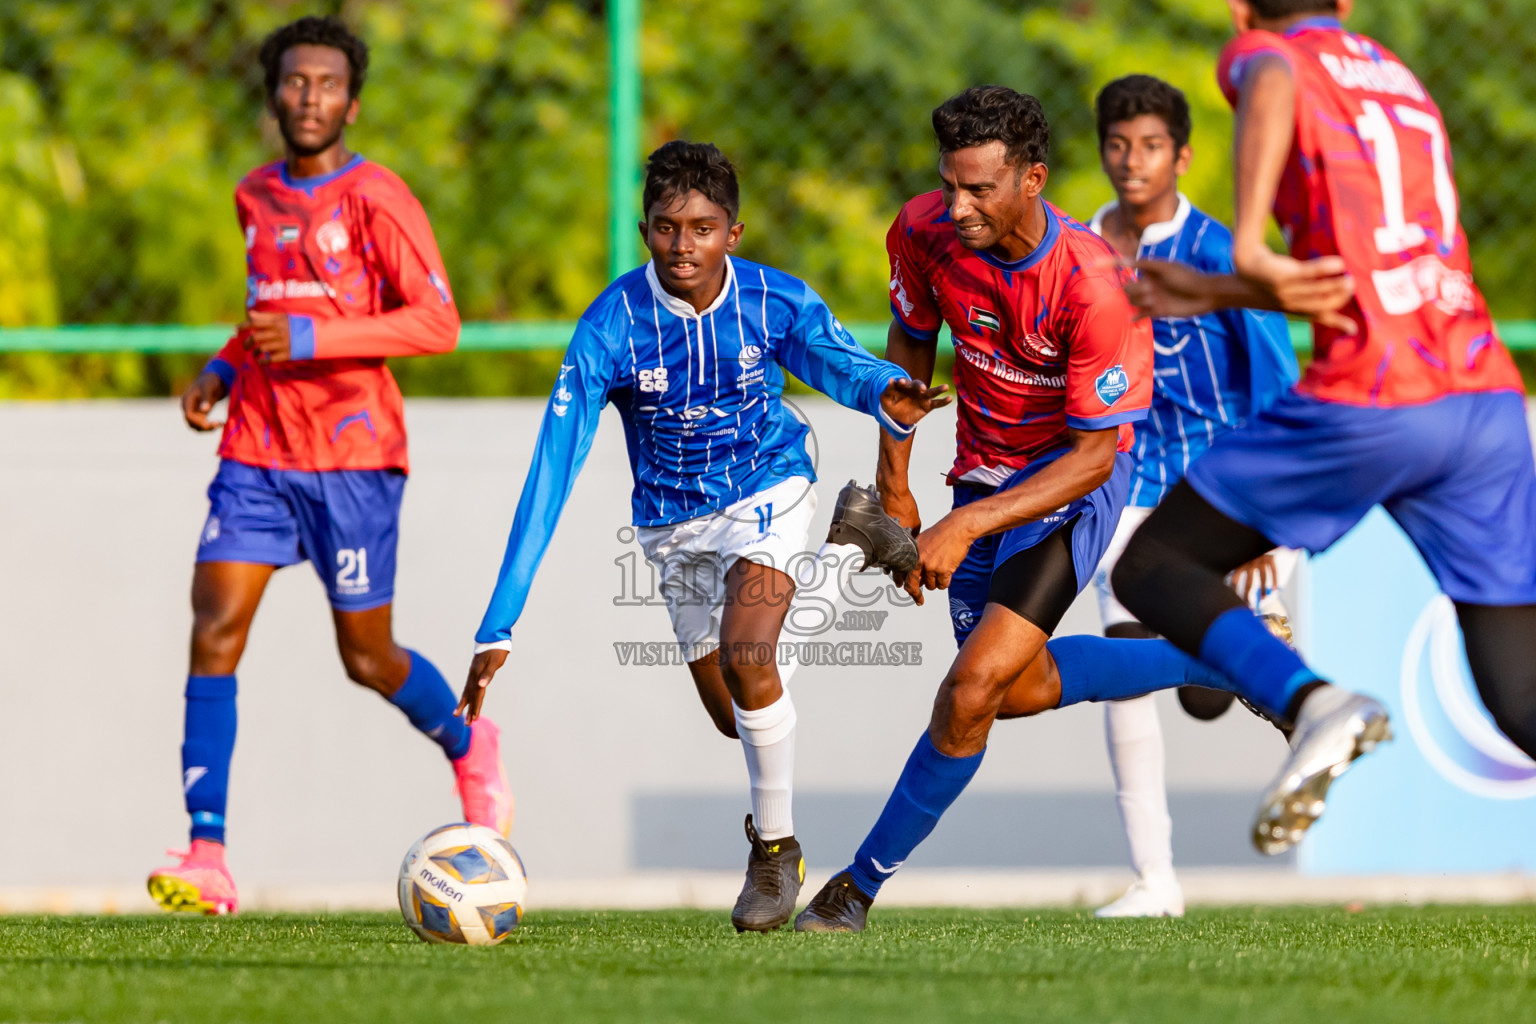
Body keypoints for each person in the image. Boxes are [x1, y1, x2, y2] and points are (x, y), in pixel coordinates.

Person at [455, 140, 949, 932]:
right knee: (737, 709)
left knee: (752, 655)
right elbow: (552, 474)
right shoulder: (610, 327)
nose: (683, 245)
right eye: (664, 228)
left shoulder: (772, 301)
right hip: (671, 526)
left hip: (771, 485)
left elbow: (836, 360)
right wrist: (499, 623)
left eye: (702, 227)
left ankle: (774, 851)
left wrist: (882, 392)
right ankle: (852, 543)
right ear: (644, 229)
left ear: (734, 232)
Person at [795, 86, 1245, 934]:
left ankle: (854, 889)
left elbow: (1095, 455)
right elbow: (909, 336)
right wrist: (896, 478)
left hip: (1069, 486)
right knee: (1016, 690)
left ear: (1032, 179)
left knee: (968, 690)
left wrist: (964, 524)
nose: (957, 207)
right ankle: (1215, 659)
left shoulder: (1092, 283)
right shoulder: (924, 228)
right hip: (981, 475)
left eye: (980, 190)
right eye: (950, 184)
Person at [1115, 0, 1536, 856]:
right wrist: (1222, 292)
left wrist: (1244, 247)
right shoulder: (1402, 82)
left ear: (1242, 11)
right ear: (1345, 3)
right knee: (1520, 696)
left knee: (1154, 565)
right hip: (1486, 398)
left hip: (1377, 399)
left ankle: (1315, 704)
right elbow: (1370, 272)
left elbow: (1270, 72)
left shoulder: (1268, 56)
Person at [147, 16, 512, 917]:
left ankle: (468, 744)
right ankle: (207, 855)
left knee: (367, 656)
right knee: (214, 626)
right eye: (294, 81)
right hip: (257, 454)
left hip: (352, 457)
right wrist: (223, 370)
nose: (310, 97)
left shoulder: (379, 199)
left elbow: (437, 324)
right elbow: (263, 311)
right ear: (273, 94)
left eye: (327, 84)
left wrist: (314, 336)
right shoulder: (254, 196)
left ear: (353, 101)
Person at [1085, 74, 1301, 918]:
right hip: (1122, 487)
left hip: (1218, 494)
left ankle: (1267, 666)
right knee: (1120, 676)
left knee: (1210, 696)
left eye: (1149, 148)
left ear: (1182, 156)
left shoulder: (1222, 252)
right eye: (1117, 145)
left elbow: (1279, 385)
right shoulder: (1084, 248)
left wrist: (1265, 522)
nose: (1132, 163)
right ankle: (1155, 881)